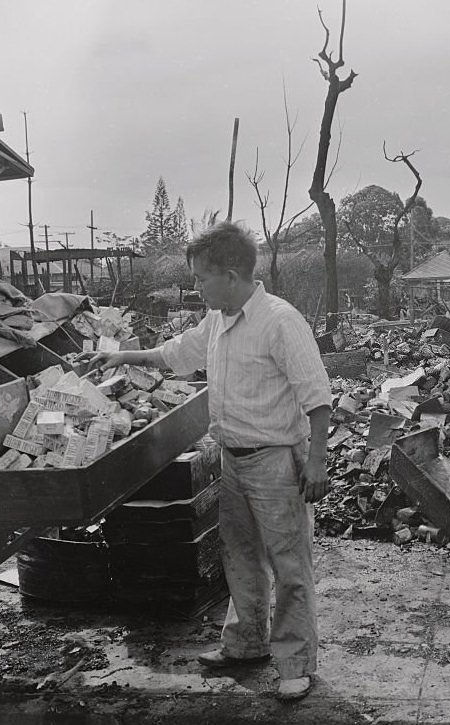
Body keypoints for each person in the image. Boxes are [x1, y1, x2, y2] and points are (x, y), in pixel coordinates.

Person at [89, 222, 331, 701]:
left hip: (276, 460)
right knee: (238, 554)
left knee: (288, 563)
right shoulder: (220, 318)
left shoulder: (280, 321)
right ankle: (246, 644)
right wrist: (123, 358)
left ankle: (295, 663)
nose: (197, 287)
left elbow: (318, 396)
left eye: (202, 277)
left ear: (233, 273)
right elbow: (178, 353)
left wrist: (318, 461)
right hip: (234, 459)